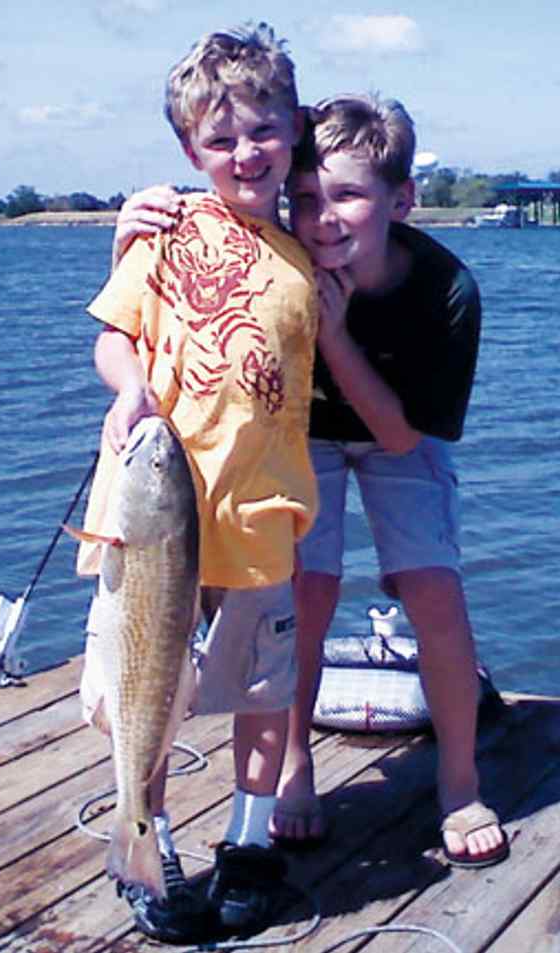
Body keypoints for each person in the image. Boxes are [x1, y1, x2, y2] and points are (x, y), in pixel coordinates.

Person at [113, 93, 509, 870]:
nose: (322, 217)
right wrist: (131, 232)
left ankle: (459, 782)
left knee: (433, 587)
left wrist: (332, 330)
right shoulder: (275, 255)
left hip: (399, 427)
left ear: (402, 200)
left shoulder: (446, 291)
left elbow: (400, 436)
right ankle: (295, 768)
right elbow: (188, 277)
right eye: (304, 197)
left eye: (349, 196)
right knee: (306, 594)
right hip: (303, 433)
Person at [77, 22, 319, 945]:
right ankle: (151, 837)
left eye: (261, 132)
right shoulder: (166, 229)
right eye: (219, 141)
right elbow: (111, 333)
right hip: (147, 521)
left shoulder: (305, 258)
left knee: (262, 696)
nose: (244, 153)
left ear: (291, 131)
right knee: (145, 691)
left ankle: (250, 844)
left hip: (259, 523)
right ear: (190, 151)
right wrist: (131, 385)